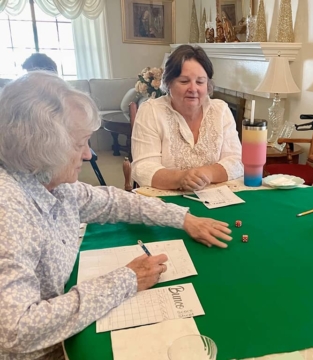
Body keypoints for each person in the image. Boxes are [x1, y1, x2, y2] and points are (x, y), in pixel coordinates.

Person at [0, 72, 233, 359]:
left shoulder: (49, 183)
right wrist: (126, 279)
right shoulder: (8, 209)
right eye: (80, 144)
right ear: (41, 146)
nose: (88, 155)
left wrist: (183, 218)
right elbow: (16, 331)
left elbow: (115, 203)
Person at [131, 44, 243, 191]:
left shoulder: (220, 110)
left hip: (216, 198)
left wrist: (207, 174)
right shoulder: (151, 111)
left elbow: (236, 161)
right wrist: (181, 178)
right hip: (166, 202)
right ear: (168, 83)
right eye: (184, 81)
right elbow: (143, 168)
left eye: (200, 82)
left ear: (208, 85)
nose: (193, 89)